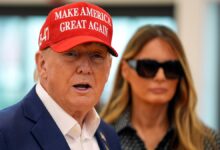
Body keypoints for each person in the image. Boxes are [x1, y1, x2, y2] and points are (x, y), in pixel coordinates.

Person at [0, 2, 121, 150]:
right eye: (71, 54)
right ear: (42, 64)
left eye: (96, 56)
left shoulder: (109, 136)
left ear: (108, 68)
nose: (85, 69)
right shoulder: (5, 133)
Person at [100, 25, 220, 150]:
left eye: (171, 68)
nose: (160, 77)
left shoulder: (208, 142)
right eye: (148, 67)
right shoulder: (99, 137)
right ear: (125, 70)